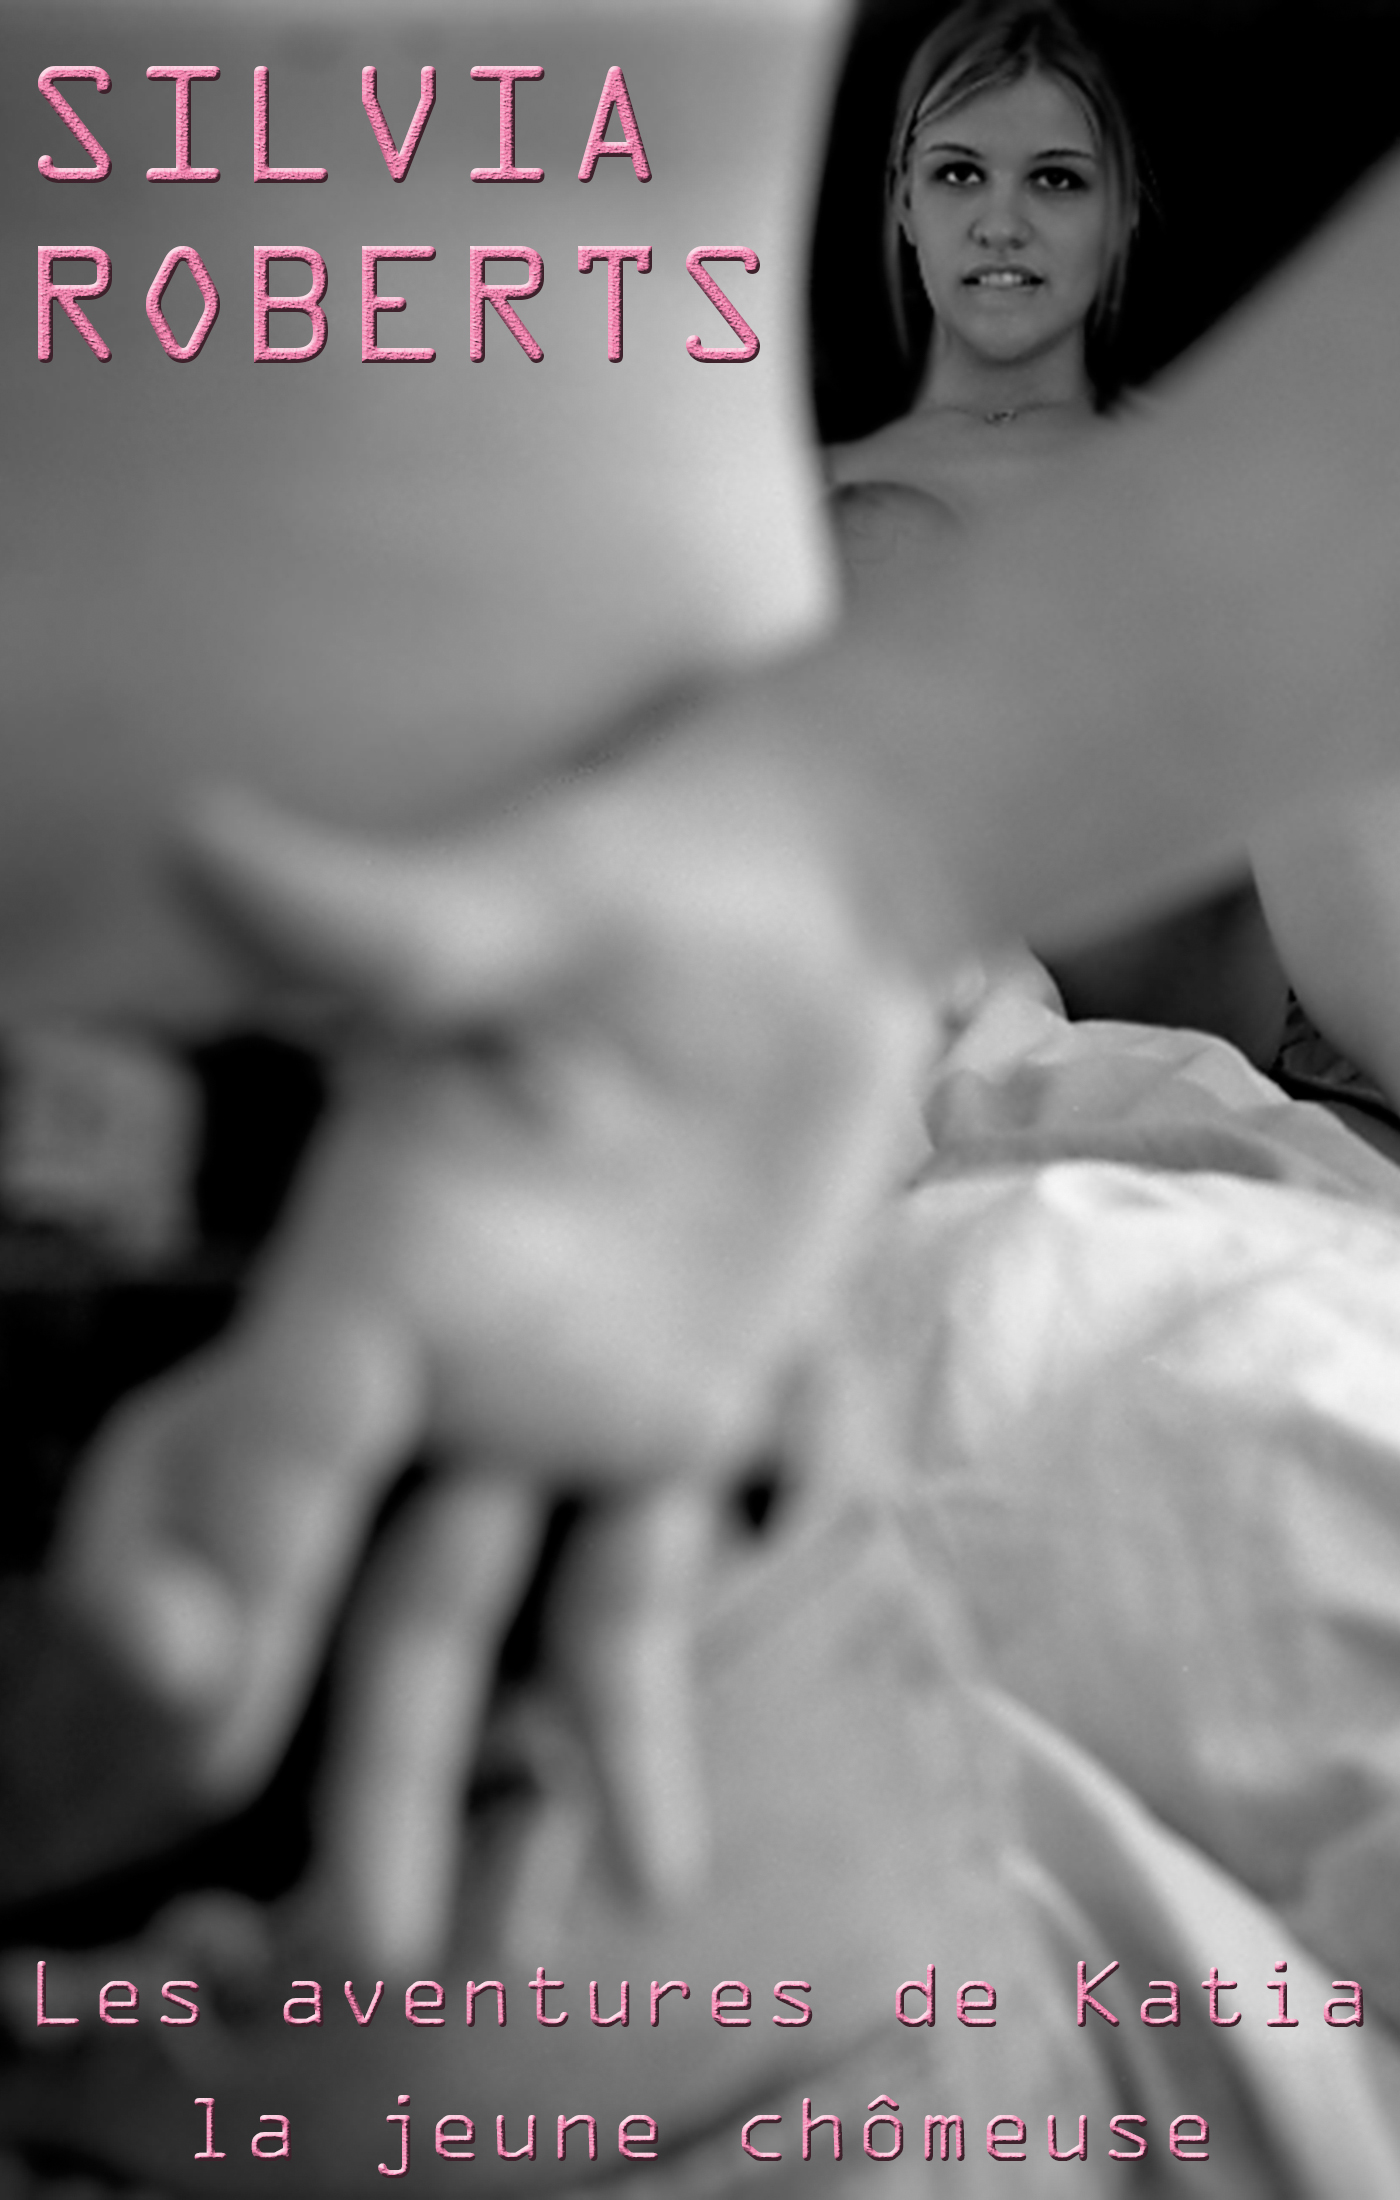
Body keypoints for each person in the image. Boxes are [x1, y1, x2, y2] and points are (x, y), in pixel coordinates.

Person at [12, 3, 1400, 2187]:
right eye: (963, 177)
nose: (1003, 228)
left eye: (1051, 178)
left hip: (431, 1426)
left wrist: (865, 831)